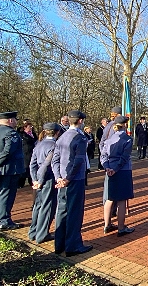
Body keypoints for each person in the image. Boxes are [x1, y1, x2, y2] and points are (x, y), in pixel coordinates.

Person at [51, 110, 92, 257]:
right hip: (74, 180)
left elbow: (55, 160)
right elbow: (78, 161)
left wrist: (58, 177)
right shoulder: (79, 138)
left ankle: (59, 244)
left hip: (62, 179)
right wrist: (68, 178)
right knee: (74, 212)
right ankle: (73, 245)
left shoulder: (61, 137)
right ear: (80, 121)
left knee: (62, 211)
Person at [0, 111, 25, 230]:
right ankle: (5, 221)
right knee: (6, 195)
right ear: (11, 120)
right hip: (9, 169)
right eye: (15, 120)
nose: (16, 122)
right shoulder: (11, 133)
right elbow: (8, 151)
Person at [101, 116, 135, 236]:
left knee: (109, 198)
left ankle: (107, 225)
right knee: (121, 200)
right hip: (122, 170)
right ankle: (121, 228)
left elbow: (103, 155)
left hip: (109, 170)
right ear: (125, 125)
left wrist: (107, 167)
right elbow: (124, 158)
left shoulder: (109, 139)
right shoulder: (127, 139)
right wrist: (114, 169)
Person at [28, 123, 62, 244]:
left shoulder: (39, 144)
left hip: (38, 178)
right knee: (47, 207)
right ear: (57, 132)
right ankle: (42, 234)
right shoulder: (54, 146)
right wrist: (40, 181)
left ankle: (33, 231)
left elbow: (32, 164)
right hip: (48, 178)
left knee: (38, 205)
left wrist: (34, 179)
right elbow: (45, 165)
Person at [18, 120, 37, 188]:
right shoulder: (21, 135)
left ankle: (31, 181)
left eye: (31, 126)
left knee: (32, 167)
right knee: (25, 168)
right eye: (29, 126)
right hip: (25, 153)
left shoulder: (33, 134)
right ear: (25, 127)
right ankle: (20, 183)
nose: (31, 128)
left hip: (32, 152)